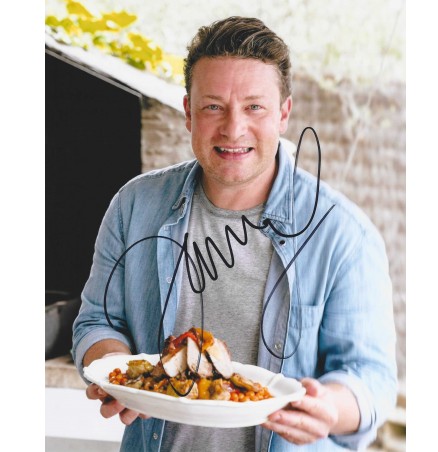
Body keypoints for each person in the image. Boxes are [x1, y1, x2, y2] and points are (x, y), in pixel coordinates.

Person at [72, 16, 397, 452]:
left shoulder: (343, 234)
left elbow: (371, 377)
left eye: (254, 107)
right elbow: (97, 320)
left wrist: (329, 407)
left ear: (283, 114)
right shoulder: (134, 206)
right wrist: (116, 373)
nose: (233, 128)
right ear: (188, 112)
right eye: (213, 107)